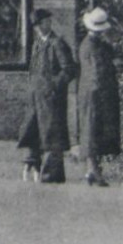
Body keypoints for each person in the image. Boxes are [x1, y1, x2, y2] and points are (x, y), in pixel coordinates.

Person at [16, 9, 76, 183]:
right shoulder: (37, 44)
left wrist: (54, 87)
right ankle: (33, 163)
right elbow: (34, 69)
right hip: (36, 98)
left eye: (40, 24)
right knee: (33, 130)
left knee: (52, 135)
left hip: (52, 99)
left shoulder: (57, 44)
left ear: (48, 22)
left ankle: (52, 175)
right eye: (35, 26)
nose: (37, 28)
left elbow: (69, 70)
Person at [77, 7, 122, 187]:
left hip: (92, 91)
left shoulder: (96, 44)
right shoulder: (91, 46)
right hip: (96, 93)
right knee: (93, 131)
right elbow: (97, 70)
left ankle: (92, 170)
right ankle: (94, 170)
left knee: (95, 131)